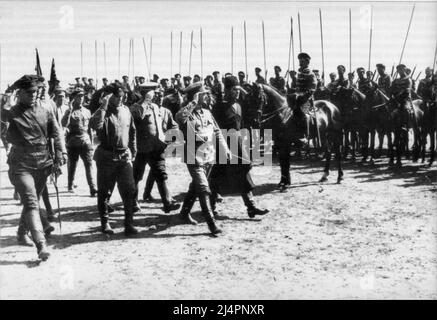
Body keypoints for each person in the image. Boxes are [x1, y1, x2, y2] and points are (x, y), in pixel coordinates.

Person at [1, 75, 67, 260]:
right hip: (21, 165)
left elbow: (56, 132)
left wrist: (61, 154)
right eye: (29, 92)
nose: (34, 95)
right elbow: (3, 129)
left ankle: (21, 233)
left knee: (33, 200)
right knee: (31, 201)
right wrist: (6, 102)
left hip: (43, 164)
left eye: (35, 91)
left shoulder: (45, 111)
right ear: (19, 93)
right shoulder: (10, 112)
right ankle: (41, 245)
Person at [209, 76, 269, 218]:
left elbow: (241, 126)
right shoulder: (219, 107)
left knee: (243, 174)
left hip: (237, 145)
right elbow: (215, 129)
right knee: (217, 176)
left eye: (238, 90)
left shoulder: (238, 106)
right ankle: (211, 207)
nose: (237, 93)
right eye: (234, 90)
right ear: (227, 90)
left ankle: (251, 207)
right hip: (222, 146)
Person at [175, 83, 230, 235]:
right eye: (203, 94)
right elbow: (179, 118)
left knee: (196, 186)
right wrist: (192, 102)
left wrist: (224, 149)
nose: (206, 96)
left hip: (209, 155)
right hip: (194, 157)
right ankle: (212, 224)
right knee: (204, 189)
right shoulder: (187, 113)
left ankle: (184, 213)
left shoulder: (207, 112)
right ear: (195, 96)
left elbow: (217, 131)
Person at [89, 82, 138, 235]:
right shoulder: (102, 111)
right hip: (106, 157)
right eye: (117, 97)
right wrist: (103, 106)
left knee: (129, 190)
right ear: (109, 97)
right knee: (104, 192)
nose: (120, 100)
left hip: (124, 156)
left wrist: (133, 149)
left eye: (122, 97)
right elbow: (96, 125)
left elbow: (132, 131)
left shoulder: (126, 110)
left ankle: (128, 224)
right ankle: (105, 223)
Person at [130, 83, 180, 213]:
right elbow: (136, 118)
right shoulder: (136, 107)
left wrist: (170, 139)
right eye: (156, 93)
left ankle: (167, 202)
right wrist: (145, 101)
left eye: (161, 94)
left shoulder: (163, 110)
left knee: (161, 174)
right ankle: (132, 202)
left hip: (157, 148)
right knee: (136, 176)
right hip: (141, 149)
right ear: (147, 94)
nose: (160, 96)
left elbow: (173, 126)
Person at [61, 87, 97, 196]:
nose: (81, 99)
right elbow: (64, 124)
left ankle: (93, 187)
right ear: (73, 98)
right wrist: (69, 110)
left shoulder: (87, 111)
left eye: (82, 96)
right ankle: (70, 184)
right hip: (73, 142)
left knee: (89, 164)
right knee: (72, 165)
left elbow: (90, 129)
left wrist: (91, 142)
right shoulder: (70, 111)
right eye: (78, 97)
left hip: (85, 141)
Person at [288, 52, 317, 144]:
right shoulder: (299, 73)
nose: (300, 62)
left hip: (306, 99)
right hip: (297, 99)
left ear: (307, 62)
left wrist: (301, 95)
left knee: (302, 114)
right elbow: (297, 87)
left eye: (302, 61)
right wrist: (292, 92)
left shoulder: (310, 73)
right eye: (299, 60)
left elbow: (312, 89)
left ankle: (305, 135)